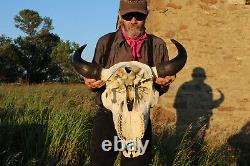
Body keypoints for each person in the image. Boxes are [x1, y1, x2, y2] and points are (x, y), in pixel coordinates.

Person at [84, 0, 176, 165]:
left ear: (146, 15)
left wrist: (164, 83)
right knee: (100, 161)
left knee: (138, 163)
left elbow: (161, 87)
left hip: (141, 115)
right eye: (128, 16)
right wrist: (90, 82)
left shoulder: (158, 45)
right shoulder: (105, 42)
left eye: (139, 16)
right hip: (107, 114)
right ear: (120, 15)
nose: (133, 20)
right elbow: (94, 76)